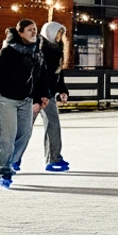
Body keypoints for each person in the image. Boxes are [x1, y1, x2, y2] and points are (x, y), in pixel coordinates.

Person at [0, 20, 46, 189]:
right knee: (7, 136)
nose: (34, 32)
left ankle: (3, 160)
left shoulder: (37, 52)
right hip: (6, 99)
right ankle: (4, 170)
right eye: (30, 30)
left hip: (26, 100)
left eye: (35, 30)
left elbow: (39, 76)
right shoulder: (8, 51)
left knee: (25, 134)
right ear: (20, 32)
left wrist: (40, 96)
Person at [37, 22, 70, 171]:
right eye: (58, 33)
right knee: (23, 129)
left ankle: (54, 158)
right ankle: (7, 159)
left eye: (61, 34)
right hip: (34, 94)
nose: (59, 37)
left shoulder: (57, 49)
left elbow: (58, 72)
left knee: (53, 125)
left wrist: (62, 89)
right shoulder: (38, 48)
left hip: (48, 94)